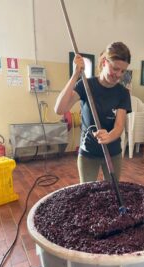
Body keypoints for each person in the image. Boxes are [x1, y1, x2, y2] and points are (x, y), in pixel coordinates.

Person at [54, 41, 131, 183]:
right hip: (88, 154)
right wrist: (75, 74)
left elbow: (119, 126)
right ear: (103, 62)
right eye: (115, 68)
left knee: (113, 194)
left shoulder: (123, 93)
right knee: (87, 195)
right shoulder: (86, 85)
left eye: (123, 71)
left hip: (113, 154)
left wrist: (109, 136)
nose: (119, 75)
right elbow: (60, 109)